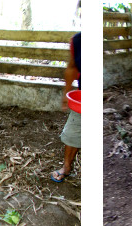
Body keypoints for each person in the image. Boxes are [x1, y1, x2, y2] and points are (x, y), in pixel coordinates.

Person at [51, 32, 81, 182]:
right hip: (82, 97)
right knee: (72, 133)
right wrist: (66, 94)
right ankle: (67, 167)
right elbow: (72, 67)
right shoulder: (77, 40)